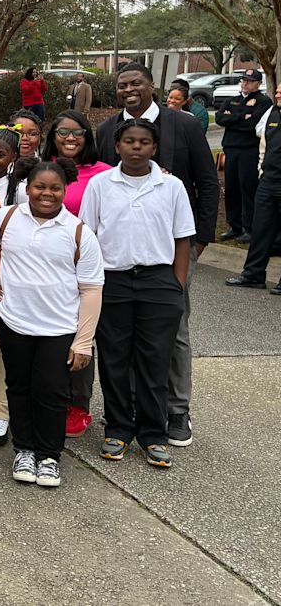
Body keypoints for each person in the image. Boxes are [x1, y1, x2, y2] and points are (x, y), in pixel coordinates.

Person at [95, 63, 218, 449]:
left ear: (152, 86)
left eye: (137, 82)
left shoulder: (183, 125)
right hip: (119, 258)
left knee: (173, 332)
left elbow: (207, 181)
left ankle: (176, 410)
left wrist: (200, 240)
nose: (129, 89)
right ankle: (129, 410)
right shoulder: (106, 130)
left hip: (171, 249)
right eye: (122, 84)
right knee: (123, 338)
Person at [0, 161, 104, 487]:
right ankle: (24, 449)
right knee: (18, 387)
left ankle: (49, 456)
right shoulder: (5, 218)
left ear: (65, 190)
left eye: (54, 188)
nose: (46, 194)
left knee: (52, 391)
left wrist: (83, 341)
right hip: (13, 321)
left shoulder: (79, 232)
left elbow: (92, 289)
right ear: (27, 187)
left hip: (59, 327)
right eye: (39, 187)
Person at [80, 119, 195, 469]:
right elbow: (88, 235)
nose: (136, 147)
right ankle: (118, 429)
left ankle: (153, 434)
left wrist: (176, 285)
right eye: (129, 141)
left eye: (144, 142)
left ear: (154, 147)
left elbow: (183, 238)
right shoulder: (101, 184)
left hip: (158, 281)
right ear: (117, 146)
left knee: (155, 360)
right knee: (114, 358)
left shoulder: (171, 186)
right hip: (112, 280)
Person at [39, 109, 113, 438]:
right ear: (52, 136)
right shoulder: (41, 169)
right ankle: (45, 397)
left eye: (78, 132)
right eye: (63, 132)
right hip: (43, 267)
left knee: (82, 334)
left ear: (88, 136)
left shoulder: (104, 174)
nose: (71, 138)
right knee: (47, 335)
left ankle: (78, 403)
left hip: (85, 266)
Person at [226, 82, 281, 294]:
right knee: (260, 229)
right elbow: (263, 141)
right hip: (268, 181)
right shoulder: (272, 113)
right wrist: (261, 169)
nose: (277, 93)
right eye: (277, 90)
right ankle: (253, 274)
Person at [215, 69, 269, 243]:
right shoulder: (232, 100)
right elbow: (219, 118)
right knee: (232, 188)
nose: (245, 83)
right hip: (231, 149)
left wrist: (233, 118)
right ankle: (235, 225)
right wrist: (241, 117)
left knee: (247, 188)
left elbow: (253, 125)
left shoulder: (263, 101)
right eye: (243, 80)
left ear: (258, 84)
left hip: (249, 150)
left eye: (249, 81)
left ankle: (249, 227)